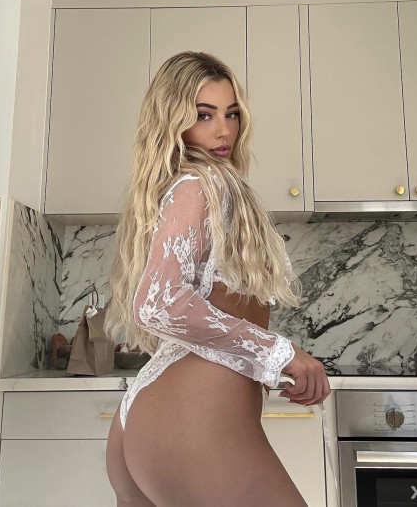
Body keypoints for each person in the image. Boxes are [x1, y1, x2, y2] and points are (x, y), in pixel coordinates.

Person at [104, 51, 331, 507]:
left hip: (155, 420)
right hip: (194, 425)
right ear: (173, 120)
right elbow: (159, 303)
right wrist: (281, 352)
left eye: (232, 113)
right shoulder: (202, 182)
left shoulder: (185, 185)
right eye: (204, 115)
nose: (224, 131)